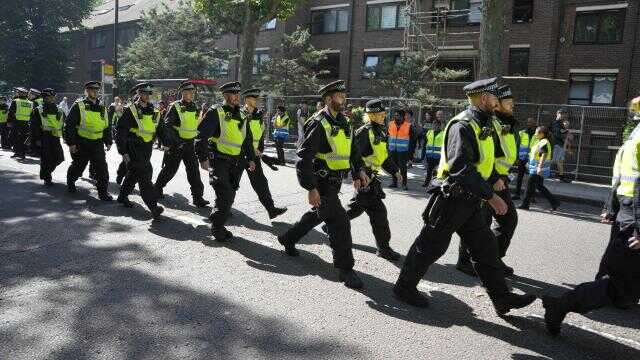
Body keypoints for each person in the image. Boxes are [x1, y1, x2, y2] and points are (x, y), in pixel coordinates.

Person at [393, 78, 536, 314]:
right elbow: (461, 168)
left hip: (471, 201)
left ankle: (502, 299)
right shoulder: (463, 125)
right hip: (452, 199)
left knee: (486, 250)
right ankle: (404, 287)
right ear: (483, 99)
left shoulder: (485, 124)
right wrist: (491, 195)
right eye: (494, 98)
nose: (497, 102)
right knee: (430, 246)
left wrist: (492, 182)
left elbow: (483, 164)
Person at [542, 96, 640, 336]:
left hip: (628, 212)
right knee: (620, 286)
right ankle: (560, 305)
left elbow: (621, 176)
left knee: (622, 281)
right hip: (633, 215)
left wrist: (611, 207)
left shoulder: (634, 136)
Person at [277, 80, 370, 289]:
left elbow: (352, 149)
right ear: (328, 99)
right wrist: (311, 188)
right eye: (339, 96)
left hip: (335, 182)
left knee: (317, 215)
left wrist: (359, 170)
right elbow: (304, 158)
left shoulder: (344, 122)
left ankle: (288, 238)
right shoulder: (318, 122)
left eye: (344, 95)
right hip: (322, 182)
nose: (344, 99)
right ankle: (346, 269)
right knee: (340, 222)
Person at [457, 85, 519, 277]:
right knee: (478, 223)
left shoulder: (506, 122)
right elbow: (482, 155)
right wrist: (493, 177)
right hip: (486, 180)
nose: (512, 106)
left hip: (498, 178)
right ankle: (467, 261)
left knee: (507, 220)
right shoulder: (486, 121)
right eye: (508, 103)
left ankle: (492, 259)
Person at [195, 81, 257, 241]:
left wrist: (251, 158)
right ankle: (217, 227)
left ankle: (218, 222)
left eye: (237, 94)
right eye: (232, 94)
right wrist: (203, 159)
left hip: (236, 162)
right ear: (225, 95)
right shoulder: (217, 112)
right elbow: (200, 136)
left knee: (229, 193)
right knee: (226, 195)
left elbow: (247, 140)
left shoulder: (243, 115)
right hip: (219, 161)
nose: (236, 97)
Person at [344, 99, 403, 261]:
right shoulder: (364, 132)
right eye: (380, 114)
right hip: (365, 178)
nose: (384, 116)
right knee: (378, 213)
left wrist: (395, 171)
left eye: (384, 113)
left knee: (356, 208)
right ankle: (384, 248)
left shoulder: (381, 131)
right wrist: (359, 175)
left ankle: (332, 225)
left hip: (373, 179)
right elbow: (354, 156)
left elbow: (383, 156)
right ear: (371, 115)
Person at [154, 80, 209, 208]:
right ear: (183, 92)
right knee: (170, 170)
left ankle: (198, 197)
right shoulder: (175, 106)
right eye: (189, 91)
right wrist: (175, 142)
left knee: (194, 172)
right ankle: (157, 188)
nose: (191, 93)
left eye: (192, 91)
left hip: (190, 145)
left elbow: (195, 125)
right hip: (177, 145)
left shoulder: (195, 106)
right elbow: (167, 126)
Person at [115, 83, 164, 219]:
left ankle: (122, 196)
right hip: (133, 146)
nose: (146, 96)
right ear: (138, 94)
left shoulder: (155, 111)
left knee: (133, 174)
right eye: (143, 93)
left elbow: (161, 129)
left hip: (147, 147)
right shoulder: (131, 110)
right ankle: (153, 206)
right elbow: (121, 131)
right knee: (145, 174)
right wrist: (123, 151)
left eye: (148, 94)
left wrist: (168, 144)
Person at [239, 87, 288, 219]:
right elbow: (238, 135)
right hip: (238, 154)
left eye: (258, 98)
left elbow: (260, 134)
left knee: (260, 182)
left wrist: (260, 149)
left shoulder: (258, 115)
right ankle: (222, 208)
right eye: (255, 98)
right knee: (231, 183)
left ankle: (271, 209)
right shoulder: (239, 114)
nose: (258, 100)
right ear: (247, 99)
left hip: (254, 155)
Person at [65, 81, 113, 201]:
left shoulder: (102, 107)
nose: (95, 92)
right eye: (92, 90)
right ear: (87, 91)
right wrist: (71, 143)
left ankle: (103, 192)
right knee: (78, 166)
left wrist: (108, 140)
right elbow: (69, 125)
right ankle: (71, 182)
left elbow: (106, 125)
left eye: (97, 90)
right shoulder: (79, 105)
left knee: (102, 168)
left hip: (97, 143)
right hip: (82, 142)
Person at [519, 126, 560, 211]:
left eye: (536, 132)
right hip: (536, 168)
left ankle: (525, 204)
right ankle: (554, 202)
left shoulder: (543, 142)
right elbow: (536, 155)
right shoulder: (542, 141)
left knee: (529, 186)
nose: (535, 134)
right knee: (539, 187)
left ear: (542, 134)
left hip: (537, 169)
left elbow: (543, 154)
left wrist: (539, 167)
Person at [32, 88, 65, 186]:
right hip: (44, 136)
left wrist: (67, 138)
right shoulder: (38, 110)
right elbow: (35, 126)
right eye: (48, 97)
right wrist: (37, 139)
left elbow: (64, 124)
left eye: (52, 97)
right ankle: (47, 177)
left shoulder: (60, 110)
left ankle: (46, 173)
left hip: (55, 137)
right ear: (44, 98)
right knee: (46, 158)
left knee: (59, 158)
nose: (50, 99)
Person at [512, 117, 537, 200]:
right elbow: (517, 146)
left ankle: (531, 196)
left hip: (532, 160)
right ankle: (517, 194)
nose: (529, 124)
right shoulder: (522, 133)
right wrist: (516, 158)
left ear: (534, 124)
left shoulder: (537, 135)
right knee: (520, 177)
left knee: (532, 179)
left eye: (531, 122)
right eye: (528, 122)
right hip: (522, 159)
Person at [388, 109, 414, 190]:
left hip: (403, 151)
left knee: (403, 169)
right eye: (395, 115)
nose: (396, 117)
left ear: (403, 117)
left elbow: (412, 141)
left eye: (398, 115)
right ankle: (394, 182)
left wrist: (410, 154)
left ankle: (404, 184)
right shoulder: (390, 124)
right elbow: (387, 136)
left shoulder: (408, 126)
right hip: (392, 150)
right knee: (393, 168)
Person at [7, 87, 33, 159]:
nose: (18, 93)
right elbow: (32, 114)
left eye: (19, 92)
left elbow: (11, 112)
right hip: (26, 123)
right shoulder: (31, 103)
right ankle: (21, 153)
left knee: (16, 138)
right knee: (23, 139)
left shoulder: (16, 101)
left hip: (17, 122)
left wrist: (9, 121)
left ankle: (18, 152)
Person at [422, 113, 444, 187]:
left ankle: (434, 184)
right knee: (429, 170)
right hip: (429, 155)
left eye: (437, 125)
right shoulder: (429, 132)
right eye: (434, 124)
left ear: (439, 126)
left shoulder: (443, 133)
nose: (435, 126)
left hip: (438, 155)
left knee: (436, 171)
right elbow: (426, 143)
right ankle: (426, 183)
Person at [551, 109, 571, 183]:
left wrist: (566, 133)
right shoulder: (554, 123)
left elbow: (564, 133)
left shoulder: (561, 123)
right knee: (556, 160)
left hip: (560, 144)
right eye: (561, 114)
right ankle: (560, 176)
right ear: (557, 113)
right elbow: (554, 132)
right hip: (555, 144)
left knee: (559, 161)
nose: (562, 115)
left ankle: (561, 176)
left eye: (563, 114)